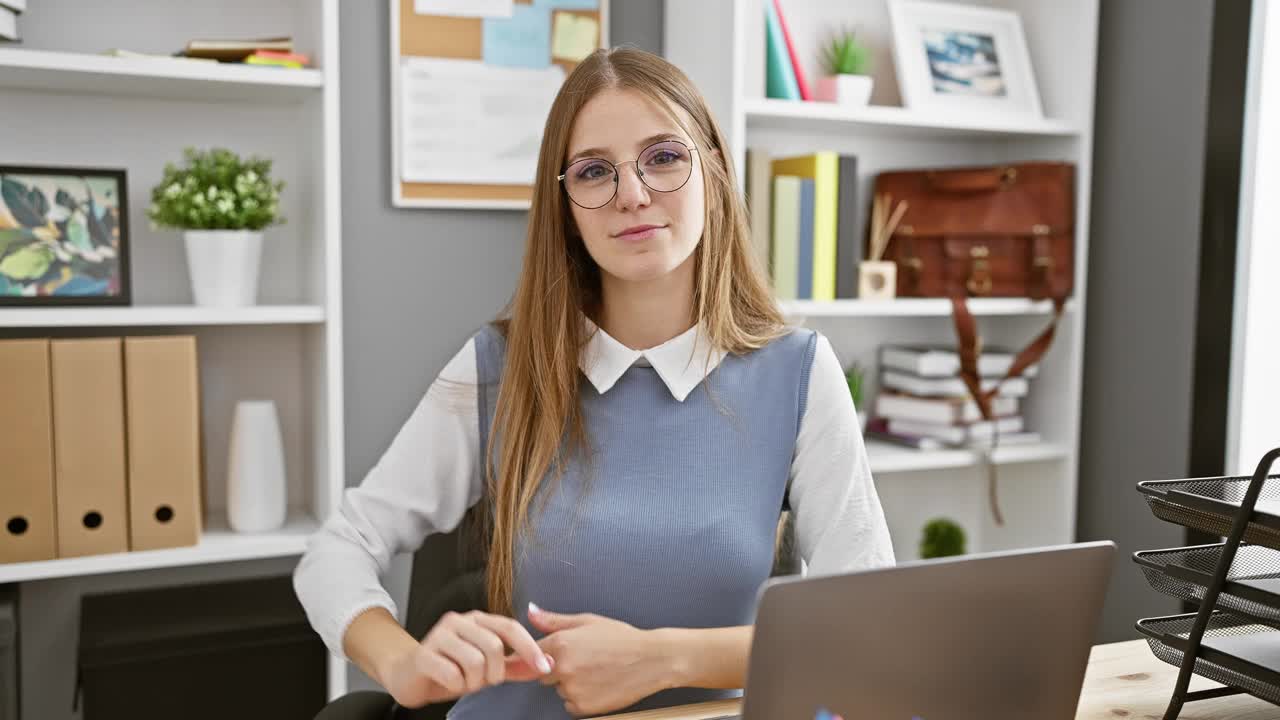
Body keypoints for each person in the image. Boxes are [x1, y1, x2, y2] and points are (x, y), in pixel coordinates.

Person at [293, 46, 894, 719]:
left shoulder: (800, 372)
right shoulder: (500, 366)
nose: (632, 193)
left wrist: (667, 658)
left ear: (714, 169)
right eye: (594, 171)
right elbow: (337, 550)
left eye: (664, 157)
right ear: (567, 205)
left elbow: (868, 629)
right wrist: (400, 661)